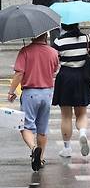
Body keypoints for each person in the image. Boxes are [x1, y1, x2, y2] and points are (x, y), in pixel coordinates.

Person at [7, 33, 60, 171]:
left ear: (32, 36)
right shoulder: (53, 52)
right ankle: (41, 158)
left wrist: (11, 91)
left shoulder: (25, 51)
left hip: (30, 93)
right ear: (46, 37)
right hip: (47, 93)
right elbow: (55, 70)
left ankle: (33, 149)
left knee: (26, 126)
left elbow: (19, 73)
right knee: (42, 129)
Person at [51, 23, 90, 158]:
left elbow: (54, 61)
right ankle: (82, 133)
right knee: (81, 113)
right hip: (82, 77)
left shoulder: (59, 41)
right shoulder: (87, 38)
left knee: (66, 116)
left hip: (65, 77)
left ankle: (67, 148)